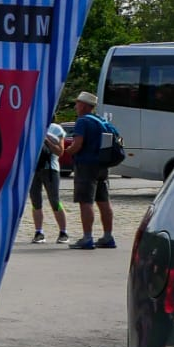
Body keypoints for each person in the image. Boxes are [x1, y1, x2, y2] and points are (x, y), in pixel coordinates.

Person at [62, 92, 116, 250]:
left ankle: (87, 237)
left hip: (86, 166)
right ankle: (108, 236)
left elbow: (77, 144)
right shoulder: (101, 120)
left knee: (85, 201)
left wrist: (68, 151)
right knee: (104, 201)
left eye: (77, 103)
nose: (75, 106)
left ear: (84, 105)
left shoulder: (83, 121)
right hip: (102, 165)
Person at [29, 123, 68, 245]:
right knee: (35, 201)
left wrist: (46, 141)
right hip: (33, 170)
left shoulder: (56, 129)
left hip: (51, 169)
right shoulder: (32, 124)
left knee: (54, 201)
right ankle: (38, 232)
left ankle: (63, 232)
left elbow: (60, 152)